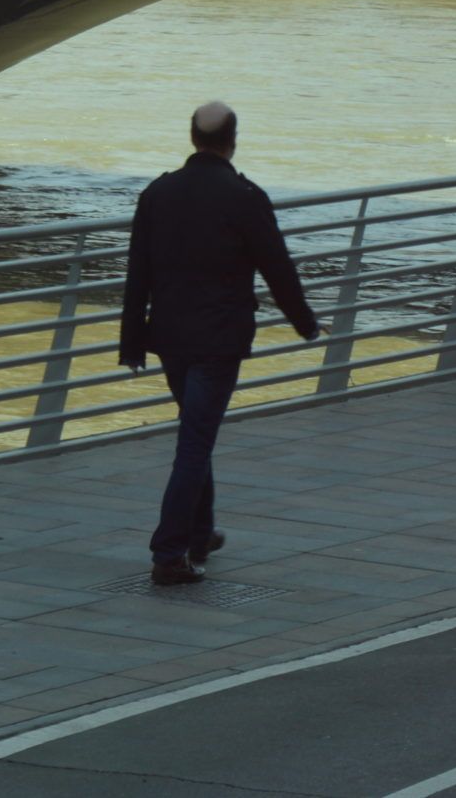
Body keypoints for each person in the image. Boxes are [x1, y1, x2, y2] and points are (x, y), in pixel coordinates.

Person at [120, 102, 320, 586]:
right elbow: (277, 267)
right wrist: (306, 324)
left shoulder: (158, 192)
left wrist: (132, 342)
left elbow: (137, 272)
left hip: (169, 335)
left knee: (196, 431)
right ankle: (169, 554)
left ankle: (200, 533)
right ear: (233, 139)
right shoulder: (244, 196)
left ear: (192, 138)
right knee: (195, 441)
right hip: (220, 338)